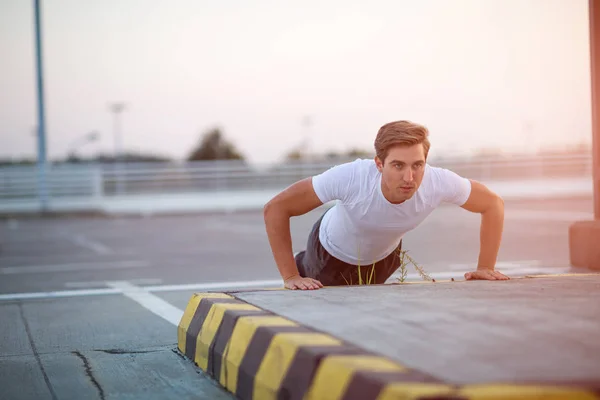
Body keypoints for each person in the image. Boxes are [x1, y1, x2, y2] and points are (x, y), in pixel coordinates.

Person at [263, 120, 509, 290]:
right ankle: (301, 262)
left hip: (384, 258)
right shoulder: (351, 177)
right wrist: (291, 276)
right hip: (329, 254)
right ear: (379, 164)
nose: (409, 178)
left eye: (417, 165)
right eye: (398, 165)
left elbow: (492, 204)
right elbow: (276, 208)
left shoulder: (438, 181)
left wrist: (486, 267)